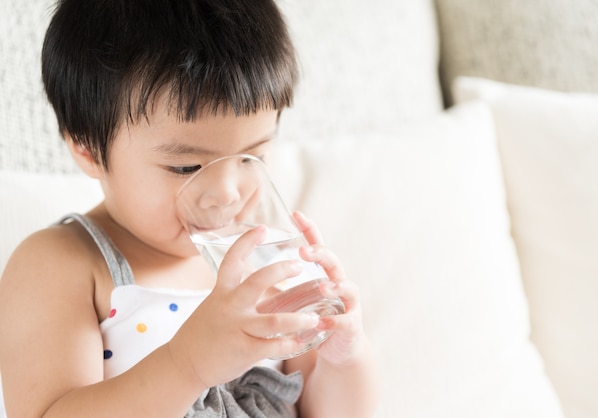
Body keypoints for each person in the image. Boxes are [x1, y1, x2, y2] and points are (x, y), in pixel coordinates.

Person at [0, 0, 379, 416]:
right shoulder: (60, 266)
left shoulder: (262, 260)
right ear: (88, 149)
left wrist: (343, 357)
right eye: (187, 166)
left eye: (252, 156)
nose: (228, 193)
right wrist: (187, 365)